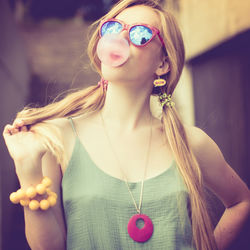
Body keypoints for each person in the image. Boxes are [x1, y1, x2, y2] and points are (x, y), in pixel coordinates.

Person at [3, 0, 250, 249]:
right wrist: (28, 170)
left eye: (140, 33)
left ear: (163, 64)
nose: (119, 37)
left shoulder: (191, 142)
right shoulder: (59, 137)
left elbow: (241, 201)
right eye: (112, 28)